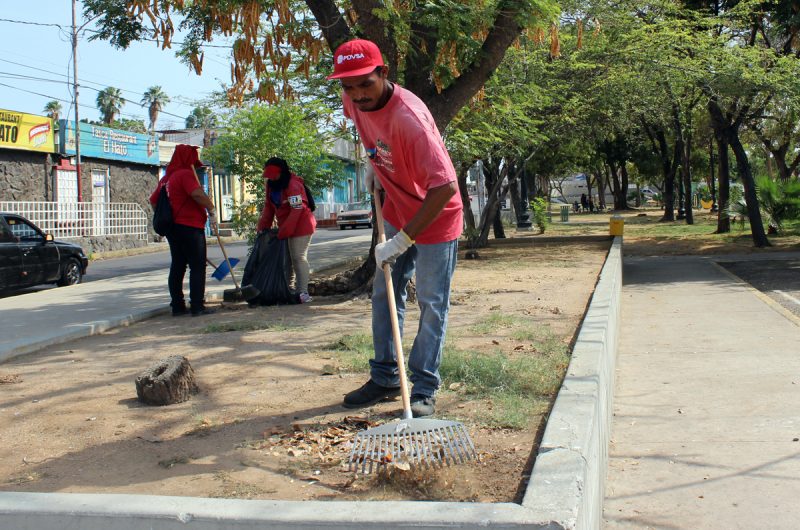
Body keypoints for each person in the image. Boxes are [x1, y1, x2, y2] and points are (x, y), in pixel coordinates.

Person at [328, 39, 463, 418]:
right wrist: (373, 162)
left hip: (436, 217)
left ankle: (422, 388)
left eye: (364, 84)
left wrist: (404, 239)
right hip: (396, 207)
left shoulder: (411, 120)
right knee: (384, 294)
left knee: (432, 303)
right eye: (347, 86)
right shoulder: (354, 102)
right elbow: (367, 129)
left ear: (383, 74)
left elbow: (445, 186)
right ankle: (386, 375)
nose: (356, 94)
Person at [149, 144, 217, 316]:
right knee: (197, 266)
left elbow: (153, 201)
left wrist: (169, 212)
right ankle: (197, 306)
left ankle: (177, 306)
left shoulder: (166, 179)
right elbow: (197, 194)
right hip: (191, 227)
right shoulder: (185, 174)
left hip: (173, 229)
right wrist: (211, 209)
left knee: (178, 265)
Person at [256, 157, 316, 303]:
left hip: (302, 225)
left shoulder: (293, 185)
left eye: (274, 174)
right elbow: (269, 207)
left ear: (281, 171)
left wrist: (285, 230)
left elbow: (297, 209)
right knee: (286, 260)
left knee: (298, 257)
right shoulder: (270, 185)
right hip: (286, 226)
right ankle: (288, 290)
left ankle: (303, 293)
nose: (271, 177)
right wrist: (263, 227)